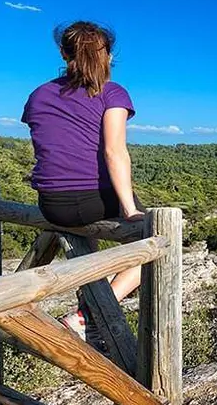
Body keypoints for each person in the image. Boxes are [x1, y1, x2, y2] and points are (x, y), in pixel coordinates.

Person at [21, 21, 145, 340]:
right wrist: (130, 210)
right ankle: (87, 317)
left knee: (87, 254)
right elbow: (114, 152)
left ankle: (90, 310)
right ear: (109, 56)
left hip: (51, 205)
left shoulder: (38, 95)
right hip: (93, 201)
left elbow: (51, 144)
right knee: (155, 246)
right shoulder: (112, 92)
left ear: (63, 53)